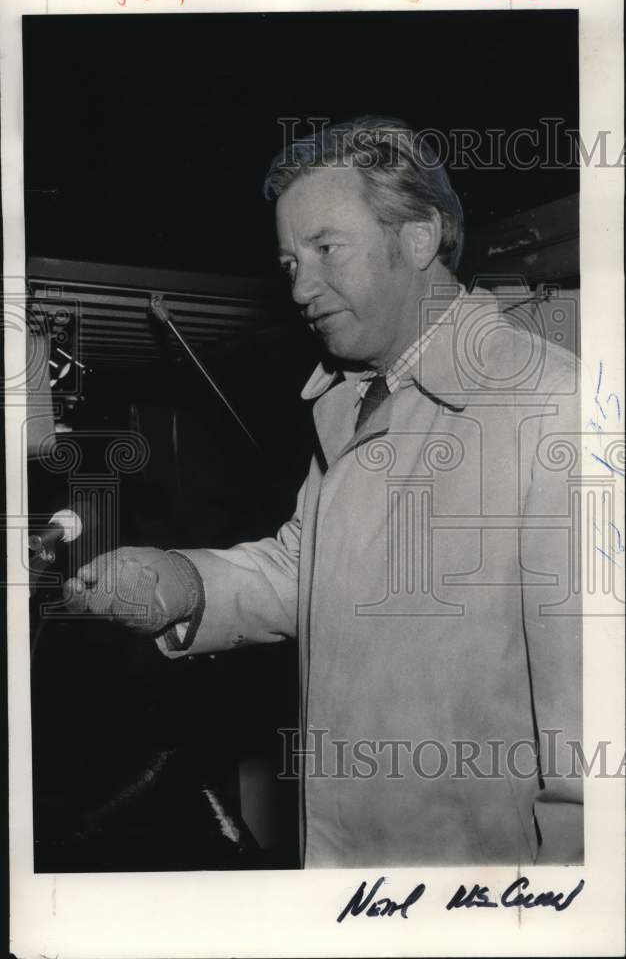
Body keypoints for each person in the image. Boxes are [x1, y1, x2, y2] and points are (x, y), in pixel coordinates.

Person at [64, 117, 583, 868]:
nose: (301, 287)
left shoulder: (549, 407)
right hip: (343, 873)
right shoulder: (357, 404)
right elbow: (307, 571)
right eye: (288, 261)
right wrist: (178, 583)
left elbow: (596, 760)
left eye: (325, 249)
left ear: (418, 236)